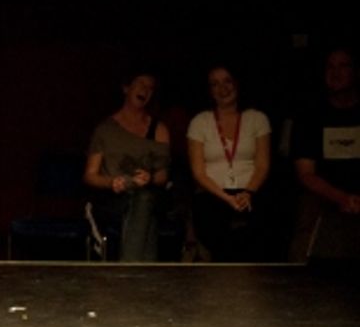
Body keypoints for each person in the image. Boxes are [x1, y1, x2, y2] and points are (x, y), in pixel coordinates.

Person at [186, 65, 272, 261]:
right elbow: (198, 173)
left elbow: (262, 165)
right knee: (215, 224)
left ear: (237, 84)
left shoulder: (257, 119)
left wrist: (248, 192)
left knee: (257, 225)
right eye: (215, 84)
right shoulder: (200, 122)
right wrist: (227, 198)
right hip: (213, 193)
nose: (222, 88)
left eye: (227, 81)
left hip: (250, 192)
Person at [83, 70, 172, 261]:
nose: (145, 91)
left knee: (145, 199)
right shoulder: (105, 129)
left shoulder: (158, 129)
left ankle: (129, 271)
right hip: (114, 199)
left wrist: (150, 178)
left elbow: (163, 176)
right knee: (146, 213)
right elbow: (90, 175)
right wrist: (112, 182)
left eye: (150, 87)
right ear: (126, 88)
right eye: (140, 84)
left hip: (146, 195)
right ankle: (138, 273)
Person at [290, 46, 360, 260]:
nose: (335, 72)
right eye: (330, 66)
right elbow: (305, 174)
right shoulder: (310, 114)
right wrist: (341, 198)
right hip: (323, 193)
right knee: (307, 219)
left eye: (343, 66)